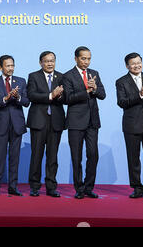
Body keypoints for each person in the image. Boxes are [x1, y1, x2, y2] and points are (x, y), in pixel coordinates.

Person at [63, 46, 106, 199]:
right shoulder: (68, 76)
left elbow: (102, 94)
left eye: (88, 58)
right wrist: (86, 91)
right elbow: (67, 98)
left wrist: (94, 89)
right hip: (75, 122)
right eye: (83, 58)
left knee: (93, 155)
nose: (86, 61)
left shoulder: (95, 74)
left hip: (93, 121)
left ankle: (89, 187)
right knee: (76, 157)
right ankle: (79, 188)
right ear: (76, 58)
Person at [116, 52, 143, 199]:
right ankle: (137, 188)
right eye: (133, 63)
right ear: (127, 66)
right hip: (132, 125)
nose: (137, 65)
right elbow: (121, 102)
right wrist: (139, 96)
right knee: (133, 158)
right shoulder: (121, 81)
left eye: (139, 62)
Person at [0, 55, 30, 196]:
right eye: (7, 65)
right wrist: (6, 98)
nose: (10, 68)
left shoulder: (21, 81)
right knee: (0, 156)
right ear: (1, 67)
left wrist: (17, 97)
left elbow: (26, 102)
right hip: (1, 124)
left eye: (12, 65)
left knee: (15, 157)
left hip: (17, 125)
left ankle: (13, 187)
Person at [26, 51, 65, 197]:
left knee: (53, 156)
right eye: (46, 61)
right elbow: (31, 95)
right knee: (36, 155)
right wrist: (50, 96)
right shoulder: (33, 76)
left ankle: (51, 186)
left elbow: (66, 98)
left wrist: (60, 96)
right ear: (40, 63)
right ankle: (34, 186)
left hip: (56, 121)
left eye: (52, 61)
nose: (50, 63)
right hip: (38, 121)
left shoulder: (61, 76)